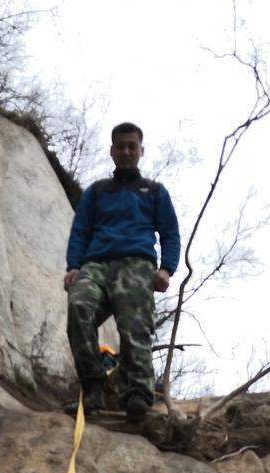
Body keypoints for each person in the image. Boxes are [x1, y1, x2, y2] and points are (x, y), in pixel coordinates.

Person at [64, 122, 180, 421]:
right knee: (79, 307)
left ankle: (137, 396)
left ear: (141, 150)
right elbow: (80, 230)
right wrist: (74, 266)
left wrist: (166, 270)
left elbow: (170, 233)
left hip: (136, 264)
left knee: (134, 327)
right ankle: (93, 389)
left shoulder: (154, 191)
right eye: (121, 146)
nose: (127, 151)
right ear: (112, 151)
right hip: (96, 265)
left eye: (132, 146)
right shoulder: (97, 191)